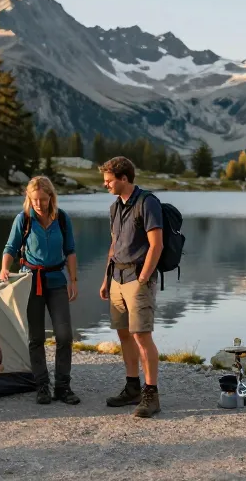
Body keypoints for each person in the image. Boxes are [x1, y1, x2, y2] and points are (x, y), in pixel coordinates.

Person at [1, 176, 80, 405]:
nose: (38, 204)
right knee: (36, 337)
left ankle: (63, 387)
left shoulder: (62, 218)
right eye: (34, 199)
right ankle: (42, 385)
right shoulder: (23, 219)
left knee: (64, 335)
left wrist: (73, 280)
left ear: (51, 197)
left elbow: (70, 251)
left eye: (43, 199)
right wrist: (4, 268)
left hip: (57, 282)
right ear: (29, 198)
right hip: (31, 282)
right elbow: (11, 247)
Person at [99, 156, 163, 418]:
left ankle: (151, 394)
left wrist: (144, 277)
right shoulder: (115, 207)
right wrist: (106, 278)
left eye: (109, 180)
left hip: (137, 279)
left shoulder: (147, 203)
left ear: (124, 178)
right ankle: (133, 387)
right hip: (116, 278)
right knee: (124, 334)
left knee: (141, 336)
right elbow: (114, 245)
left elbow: (156, 244)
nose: (105, 185)